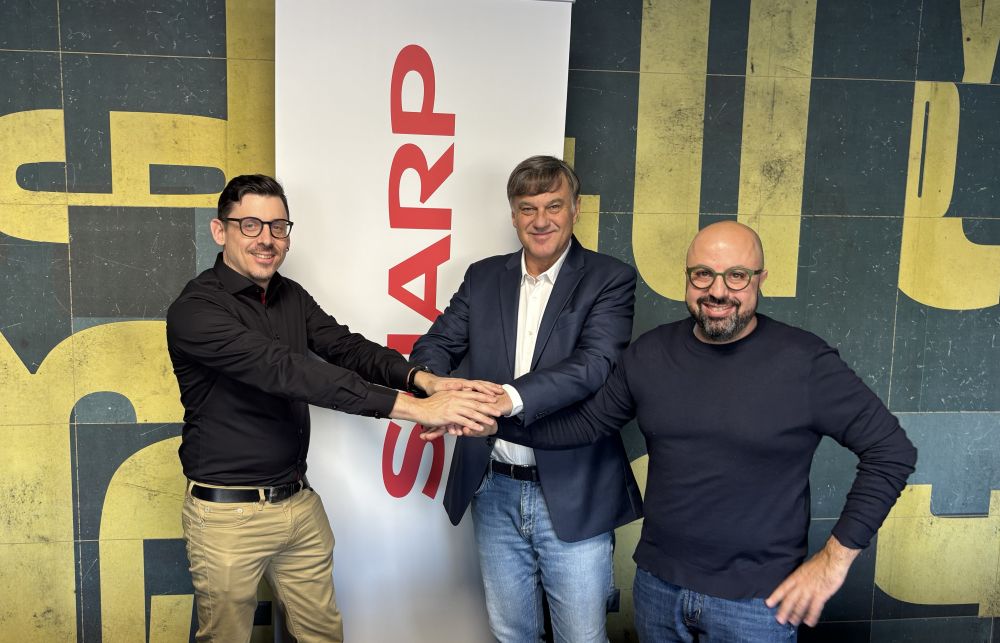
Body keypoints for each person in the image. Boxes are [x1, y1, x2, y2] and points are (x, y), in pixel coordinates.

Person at [427, 221, 918, 642]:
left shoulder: (805, 362)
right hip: (659, 589)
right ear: (687, 277)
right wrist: (484, 419)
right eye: (703, 274)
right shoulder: (651, 353)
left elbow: (891, 452)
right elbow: (587, 424)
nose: (718, 291)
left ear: (759, 280)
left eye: (736, 275)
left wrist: (833, 561)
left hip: (757, 603)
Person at [165, 174, 501, 643]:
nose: (266, 239)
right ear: (220, 231)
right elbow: (291, 372)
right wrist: (417, 410)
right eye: (251, 225)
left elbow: (346, 348)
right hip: (228, 517)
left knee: (323, 635)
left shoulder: (289, 295)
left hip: (298, 503)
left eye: (278, 227)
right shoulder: (195, 311)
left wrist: (424, 380)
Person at [410, 156, 643, 642]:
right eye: (528, 208)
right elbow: (436, 344)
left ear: (575, 209)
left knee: (581, 637)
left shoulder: (609, 278)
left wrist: (505, 399)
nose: (541, 220)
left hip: (576, 487)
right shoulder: (483, 277)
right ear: (513, 214)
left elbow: (594, 364)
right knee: (511, 633)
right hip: (493, 486)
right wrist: (436, 390)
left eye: (554, 205)